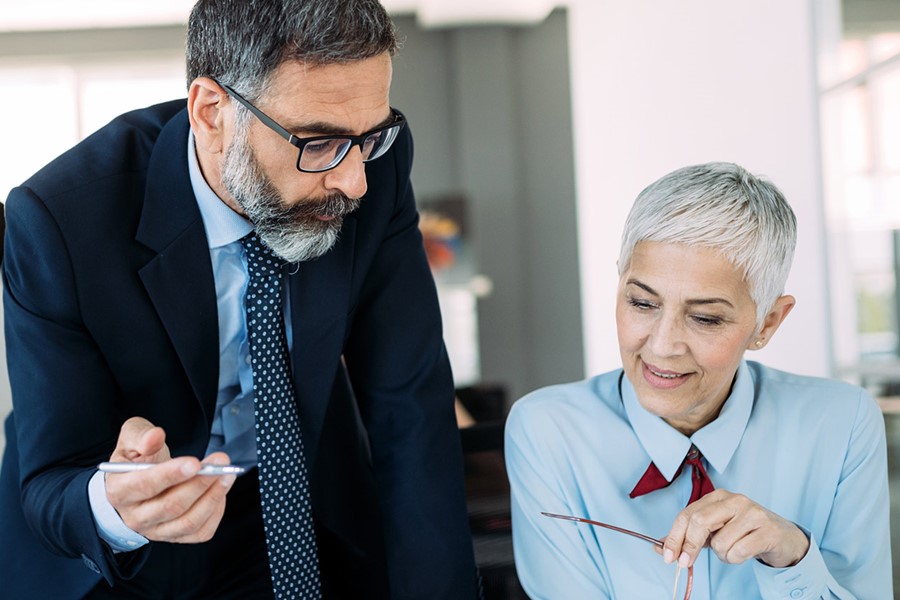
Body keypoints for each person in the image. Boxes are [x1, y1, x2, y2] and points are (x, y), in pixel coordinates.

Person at [0, 0, 479, 598]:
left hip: (302, 505)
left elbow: (410, 405)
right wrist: (121, 506)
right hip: (129, 551)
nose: (354, 180)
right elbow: (50, 476)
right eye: (319, 141)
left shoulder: (366, 168)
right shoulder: (59, 221)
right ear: (211, 111)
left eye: (369, 138)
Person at [505, 162, 891, 599]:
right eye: (642, 302)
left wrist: (794, 558)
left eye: (705, 317)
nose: (664, 345)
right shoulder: (548, 430)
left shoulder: (843, 423)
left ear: (767, 323)